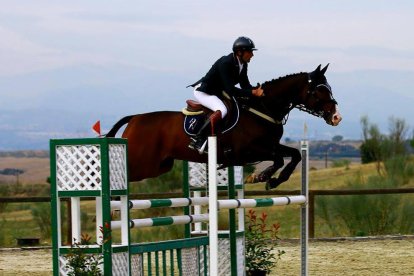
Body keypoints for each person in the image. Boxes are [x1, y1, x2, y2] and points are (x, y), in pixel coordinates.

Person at [188, 36, 264, 154]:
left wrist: (256, 90)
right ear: (240, 52)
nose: (252, 55)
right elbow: (230, 90)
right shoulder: (226, 62)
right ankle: (198, 139)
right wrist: (253, 93)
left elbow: (245, 85)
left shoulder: (243, 64)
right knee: (222, 110)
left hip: (217, 91)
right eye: (250, 52)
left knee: (235, 107)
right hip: (204, 91)